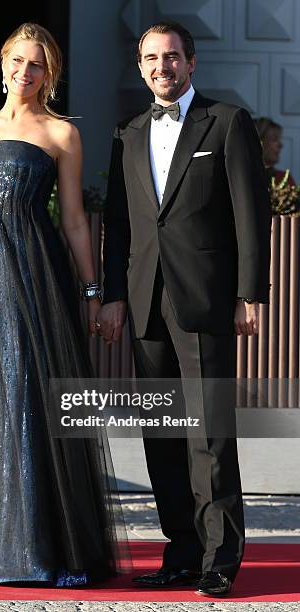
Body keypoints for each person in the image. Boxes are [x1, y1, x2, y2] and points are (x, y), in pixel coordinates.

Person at [0, 23, 123, 586]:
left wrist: (93, 292)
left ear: (50, 73)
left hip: (37, 277)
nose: (24, 72)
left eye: (36, 64)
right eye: (17, 61)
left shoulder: (62, 134)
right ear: (3, 63)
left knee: (32, 398)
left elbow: (74, 221)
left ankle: (44, 548)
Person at [98, 20, 271, 597]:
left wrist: (250, 296)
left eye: (171, 57)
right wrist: (112, 294)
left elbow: (252, 215)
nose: (161, 68)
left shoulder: (226, 122)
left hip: (205, 300)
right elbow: (118, 224)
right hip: (144, 300)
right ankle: (183, 551)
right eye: (150, 58)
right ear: (139, 66)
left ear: (191, 63)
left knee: (209, 433)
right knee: (162, 434)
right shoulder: (125, 130)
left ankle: (222, 555)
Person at [254, 116, 296, 186]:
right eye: (274, 139)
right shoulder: (241, 177)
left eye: (280, 139)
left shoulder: (284, 179)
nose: (280, 145)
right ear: (259, 142)